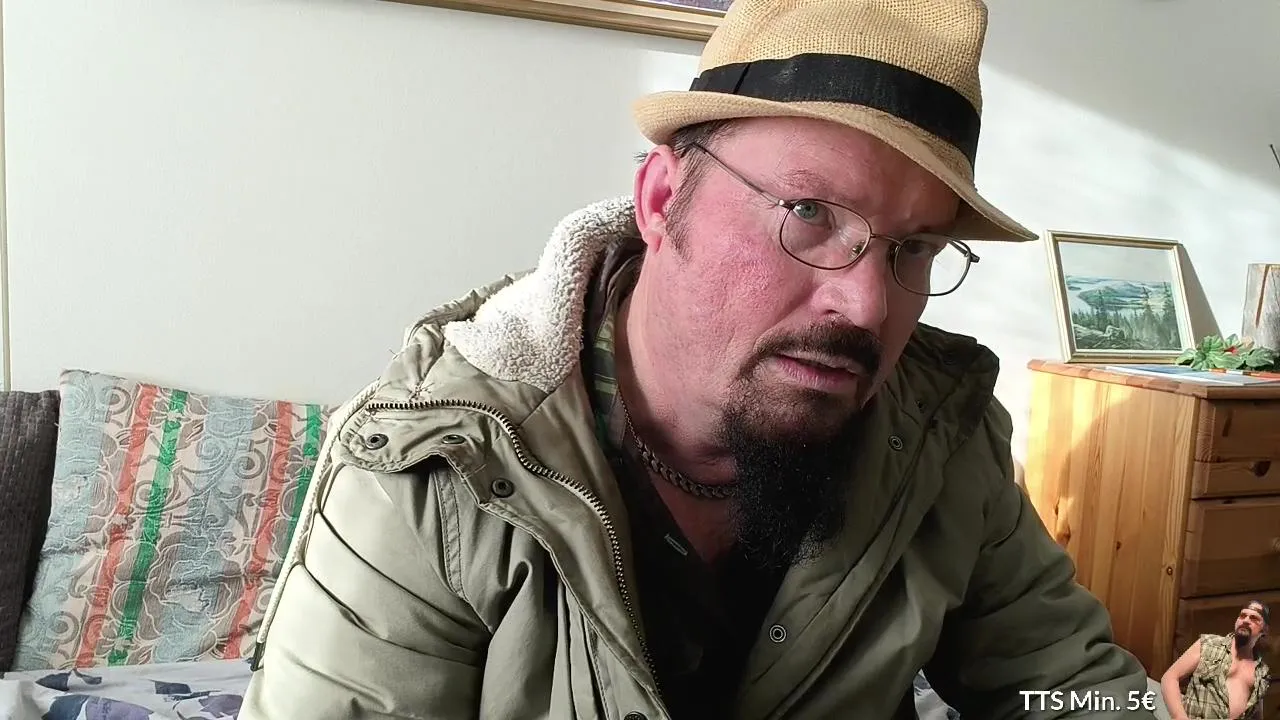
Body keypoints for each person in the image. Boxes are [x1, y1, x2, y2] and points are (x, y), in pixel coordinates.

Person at [240, 1, 1156, 718]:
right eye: (808, 213)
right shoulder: (438, 466)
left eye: (912, 248)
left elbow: (1064, 689)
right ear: (661, 198)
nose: (868, 306)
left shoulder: (941, 435)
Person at [1160, 601, 1271, 720]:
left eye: (1254, 618)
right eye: (1242, 616)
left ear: (1264, 629)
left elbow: (1257, 714)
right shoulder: (1209, 644)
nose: (1246, 620)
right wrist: (1179, 716)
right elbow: (1170, 677)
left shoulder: (1261, 672)